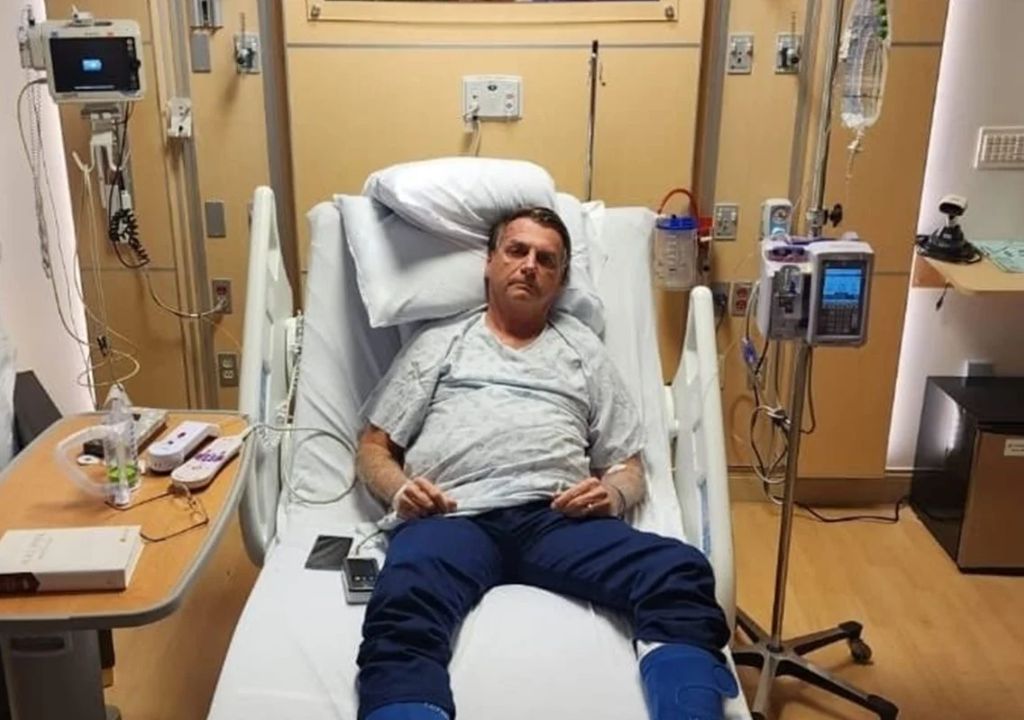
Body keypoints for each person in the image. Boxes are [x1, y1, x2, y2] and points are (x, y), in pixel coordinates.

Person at [355, 207, 737, 720]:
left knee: (678, 570)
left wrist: (613, 494)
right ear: (489, 262)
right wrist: (400, 490)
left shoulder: (583, 349)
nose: (530, 265)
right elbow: (373, 447)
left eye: (546, 259)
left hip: (556, 519)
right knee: (404, 600)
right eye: (517, 251)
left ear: (559, 280)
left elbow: (628, 465)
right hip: (453, 516)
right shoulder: (440, 343)